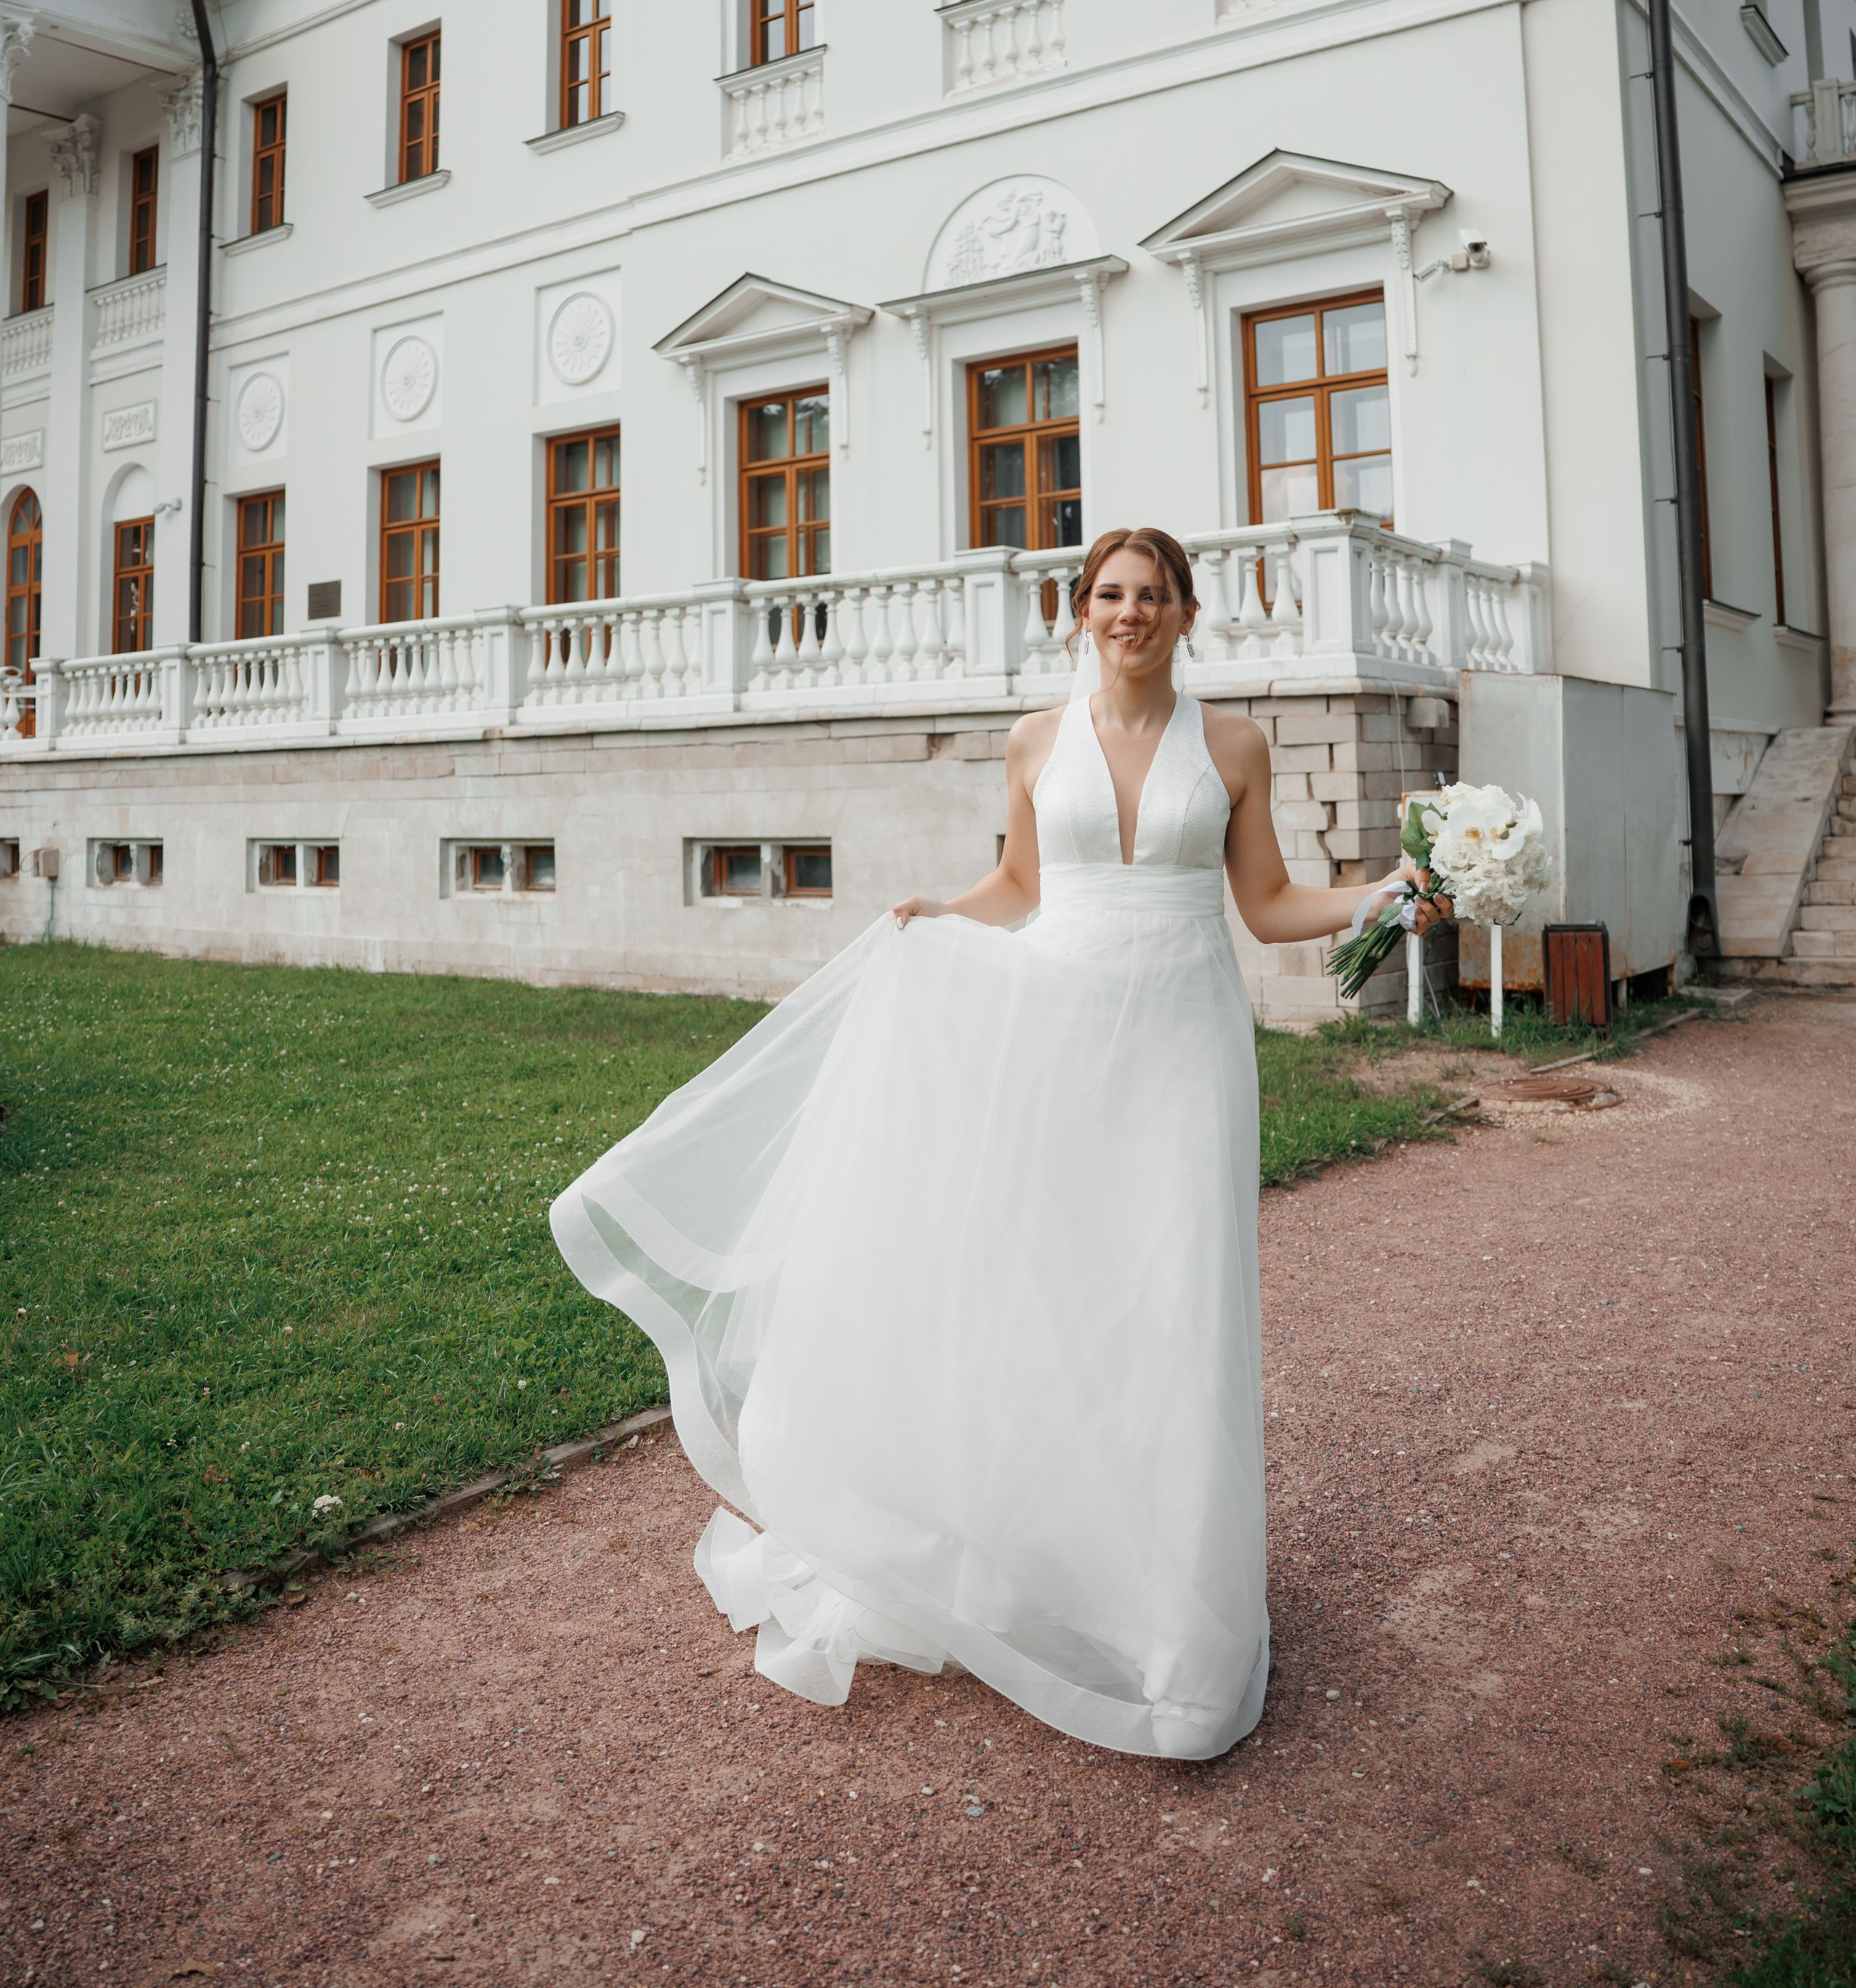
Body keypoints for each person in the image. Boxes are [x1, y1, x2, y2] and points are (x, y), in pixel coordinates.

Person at [551, 526, 1443, 1761]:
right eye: (1108, 595)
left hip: (1186, 1046)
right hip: (1060, 1032)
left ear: (1188, 613)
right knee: (1056, 1292)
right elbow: (1021, 887)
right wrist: (934, 916)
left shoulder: (1233, 746)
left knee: (1177, 1304)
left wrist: (1384, 894)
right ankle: (1042, 1565)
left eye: (1152, 596)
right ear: (1081, 612)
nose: (1129, 614)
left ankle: (1175, 1619)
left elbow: (1268, 906)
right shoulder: (1036, 739)